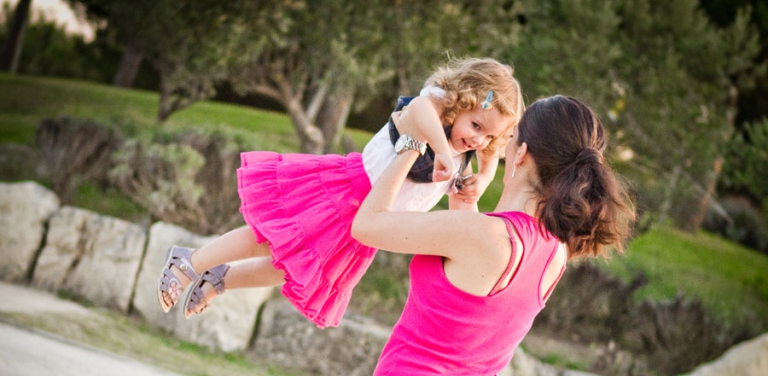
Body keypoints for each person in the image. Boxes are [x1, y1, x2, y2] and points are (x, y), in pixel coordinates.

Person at [314, 95, 636, 376]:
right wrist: (464, 202)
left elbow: (366, 225)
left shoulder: (481, 235)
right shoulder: (555, 252)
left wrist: (410, 143)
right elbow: (472, 284)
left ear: (521, 153)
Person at [155, 57, 524, 328]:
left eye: (489, 135)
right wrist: (441, 151)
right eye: (476, 125)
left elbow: (487, 161)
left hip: (370, 227)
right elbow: (420, 110)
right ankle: (189, 261)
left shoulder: (467, 154)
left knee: (293, 271)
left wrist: (484, 178)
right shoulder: (431, 111)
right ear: (459, 103)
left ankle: (220, 279)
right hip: (347, 193)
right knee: (267, 239)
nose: (478, 139)